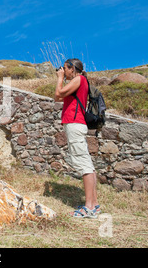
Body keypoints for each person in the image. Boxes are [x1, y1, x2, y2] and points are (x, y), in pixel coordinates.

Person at [54, 58, 100, 218]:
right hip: (76, 124)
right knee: (88, 164)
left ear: (72, 69)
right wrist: (61, 82)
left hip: (75, 123)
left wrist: (59, 78)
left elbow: (58, 92)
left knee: (84, 165)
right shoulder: (79, 82)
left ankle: (89, 208)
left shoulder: (79, 79)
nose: (64, 71)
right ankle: (94, 204)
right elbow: (57, 97)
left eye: (65, 69)